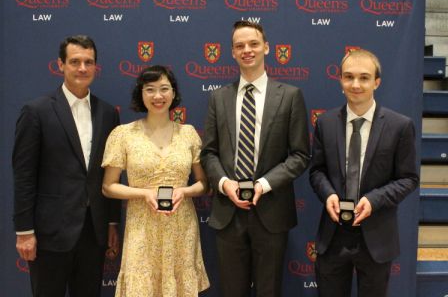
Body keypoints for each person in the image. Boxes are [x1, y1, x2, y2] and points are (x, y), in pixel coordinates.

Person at [200, 20, 310, 297]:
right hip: (228, 211)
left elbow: (299, 155)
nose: (247, 50)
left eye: (253, 44)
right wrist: (225, 184)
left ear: (266, 48)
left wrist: (263, 184)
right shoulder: (218, 98)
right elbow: (209, 152)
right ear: (233, 53)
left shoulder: (290, 96)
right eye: (240, 46)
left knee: (268, 291)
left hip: (272, 211)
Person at [12, 35, 121, 297]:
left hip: (93, 232)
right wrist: (24, 232)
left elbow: (112, 171)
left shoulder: (108, 113)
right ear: (60, 65)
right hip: (50, 232)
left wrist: (111, 223)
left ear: (96, 66)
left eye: (88, 62)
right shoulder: (36, 111)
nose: (82, 68)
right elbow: (24, 176)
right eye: (75, 62)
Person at [309, 49, 419, 297]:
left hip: (377, 237)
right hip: (333, 235)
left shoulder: (399, 126)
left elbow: (408, 179)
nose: (355, 84)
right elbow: (317, 171)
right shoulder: (325, 123)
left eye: (364, 77)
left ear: (376, 82)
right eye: (348, 77)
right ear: (340, 81)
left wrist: (374, 200)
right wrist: (328, 195)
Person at [101, 65, 210, 297]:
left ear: (173, 93)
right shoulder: (123, 134)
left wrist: (185, 191)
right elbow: (108, 186)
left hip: (181, 226)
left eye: (164, 89)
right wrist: (144, 194)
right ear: (141, 94)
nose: (158, 96)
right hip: (142, 226)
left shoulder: (189, 133)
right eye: (150, 89)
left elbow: (203, 183)